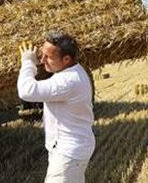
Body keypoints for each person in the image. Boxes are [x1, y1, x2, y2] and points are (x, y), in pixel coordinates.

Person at [17, 30, 95, 183]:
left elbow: (26, 91)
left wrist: (27, 62)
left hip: (68, 154)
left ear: (66, 59)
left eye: (49, 57)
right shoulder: (72, 71)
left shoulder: (68, 81)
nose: (42, 60)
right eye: (42, 54)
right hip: (71, 149)